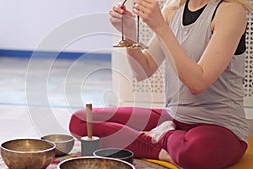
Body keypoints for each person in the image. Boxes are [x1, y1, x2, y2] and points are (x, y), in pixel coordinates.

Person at [69, 0, 252, 168]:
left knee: (195, 152)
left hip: (220, 126)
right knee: (82, 120)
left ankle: (162, 136)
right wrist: (130, 33)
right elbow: (143, 70)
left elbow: (198, 82)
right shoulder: (172, 10)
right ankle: (164, 149)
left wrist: (161, 27)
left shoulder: (231, 12)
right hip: (173, 118)